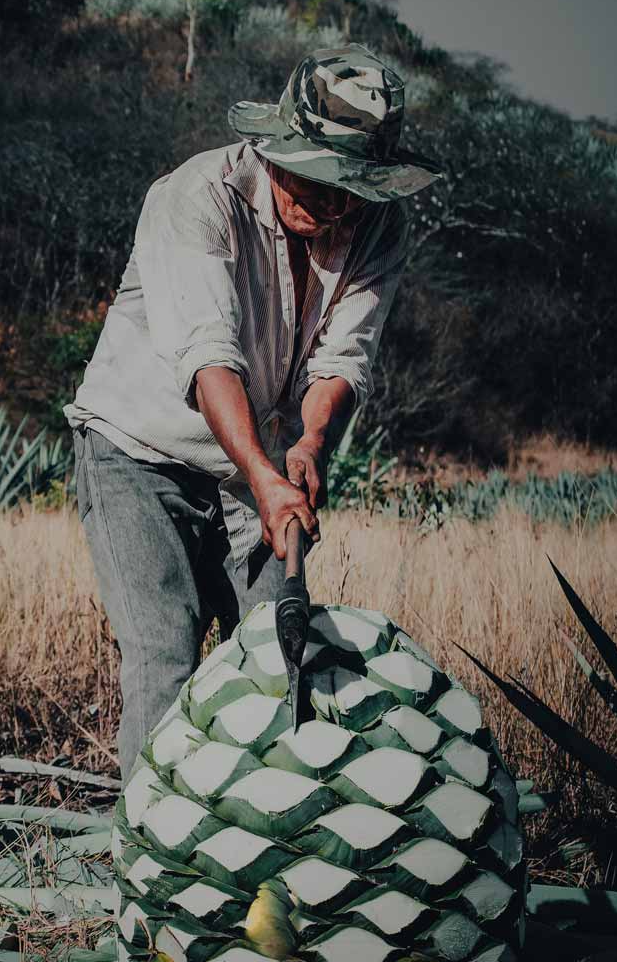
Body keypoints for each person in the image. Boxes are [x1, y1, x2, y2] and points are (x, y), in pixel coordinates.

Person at [64, 43, 446, 781]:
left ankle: (267, 845)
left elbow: (343, 359)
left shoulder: (377, 228)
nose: (331, 203)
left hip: (257, 462)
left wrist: (307, 446)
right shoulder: (195, 197)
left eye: (349, 185)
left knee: (277, 654)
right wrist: (267, 478)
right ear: (275, 147)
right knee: (164, 655)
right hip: (139, 451)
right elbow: (212, 359)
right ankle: (150, 857)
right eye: (314, 177)